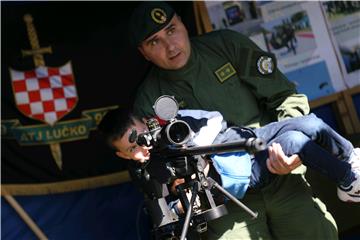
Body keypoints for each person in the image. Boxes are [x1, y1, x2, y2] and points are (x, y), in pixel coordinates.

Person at [128, 2, 340, 239]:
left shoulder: (227, 45)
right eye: (154, 42)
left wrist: (293, 150)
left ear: (183, 24)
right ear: (143, 52)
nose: (170, 46)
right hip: (223, 200)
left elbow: (284, 96)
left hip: (279, 173)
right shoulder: (148, 101)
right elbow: (159, 170)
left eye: (171, 30)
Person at [98, 107, 360, 203]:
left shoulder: (173, 125)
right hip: (241, 172)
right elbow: (172, 207)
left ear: (149, 122)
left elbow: (213, 118)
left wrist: (190, 144)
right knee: (295, 141)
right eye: (132, 149)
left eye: (142, 136)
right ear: (123, 156)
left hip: (243, 139)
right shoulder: (149, 172)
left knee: (312, 123)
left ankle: (351, 160)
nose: (143, 147)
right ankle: (350, 182)